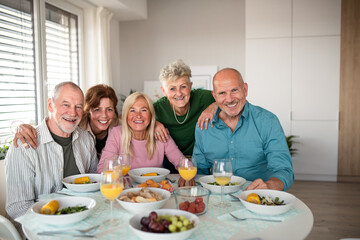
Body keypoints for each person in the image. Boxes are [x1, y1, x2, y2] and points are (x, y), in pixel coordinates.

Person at [5, 82, 98, 221]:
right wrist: (59, 222)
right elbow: (18, 208)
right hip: (41, 227)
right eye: (65, 105)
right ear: (50, 105)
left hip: (81, 220)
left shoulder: (86, 139)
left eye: (78, 107)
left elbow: (94, 186)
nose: (73, 113)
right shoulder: (24, 145)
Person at [193, 68, 294, 191]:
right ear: (214, 96)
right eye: (222, 93)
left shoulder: (267, 121)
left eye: (234, 90)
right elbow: (200, 171)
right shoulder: (203, 126)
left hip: (256, 196)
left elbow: (283, 169)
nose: (229, 99)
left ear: (245, 89)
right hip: (217, 197)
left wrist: (270, 185)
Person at [12, 84, 120, 159]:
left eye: (109, 109)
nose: (104, 115)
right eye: (97, 109)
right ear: (88, 110)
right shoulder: (77, 123)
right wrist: (20, 127)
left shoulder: (118, 127)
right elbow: (55, 120)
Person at [153, 60, 217, 174]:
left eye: (183, 87)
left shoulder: (204, 98)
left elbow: (231, 100)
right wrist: (153, 124)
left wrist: (214, 105)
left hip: (201, 165)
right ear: (164, 91)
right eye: (172, 88)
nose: (179, 93)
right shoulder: (157, 108)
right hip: (170, 168)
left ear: (190, 86)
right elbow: (136, 121)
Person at [97, 92, 184, 173]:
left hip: (154, 187)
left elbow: (182, 162)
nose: (138, 115)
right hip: (125, 188)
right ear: (126, 115)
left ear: (151, 114)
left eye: (143, 110)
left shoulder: (160, 133)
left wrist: (187, 176)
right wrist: (116, 180)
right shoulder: (117, 133)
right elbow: (103, 168)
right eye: (132, 110)